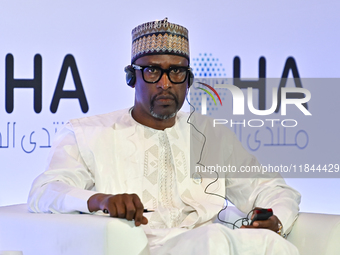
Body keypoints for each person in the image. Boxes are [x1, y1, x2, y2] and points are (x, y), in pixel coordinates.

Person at [28, 18, 301, 254]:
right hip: (140, 247)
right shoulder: (87, 133)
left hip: (213, 243)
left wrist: (275, 221)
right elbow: (45, 191)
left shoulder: (211, 134)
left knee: (271, 244)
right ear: (131, 78)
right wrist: (101, 200)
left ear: (189, 80)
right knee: (215, 240)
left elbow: (272, 189)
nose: (165, 82)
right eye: (152, 70)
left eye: (177, 71)